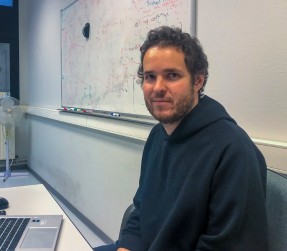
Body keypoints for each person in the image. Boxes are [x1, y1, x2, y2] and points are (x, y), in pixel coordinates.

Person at [94, 26, 268, 251]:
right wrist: (126, 247)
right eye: (150, 77)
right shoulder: (158, 136)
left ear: (198, 81)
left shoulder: (234, 150)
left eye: (172, 75)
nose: (158, 88)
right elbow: (141, 211)